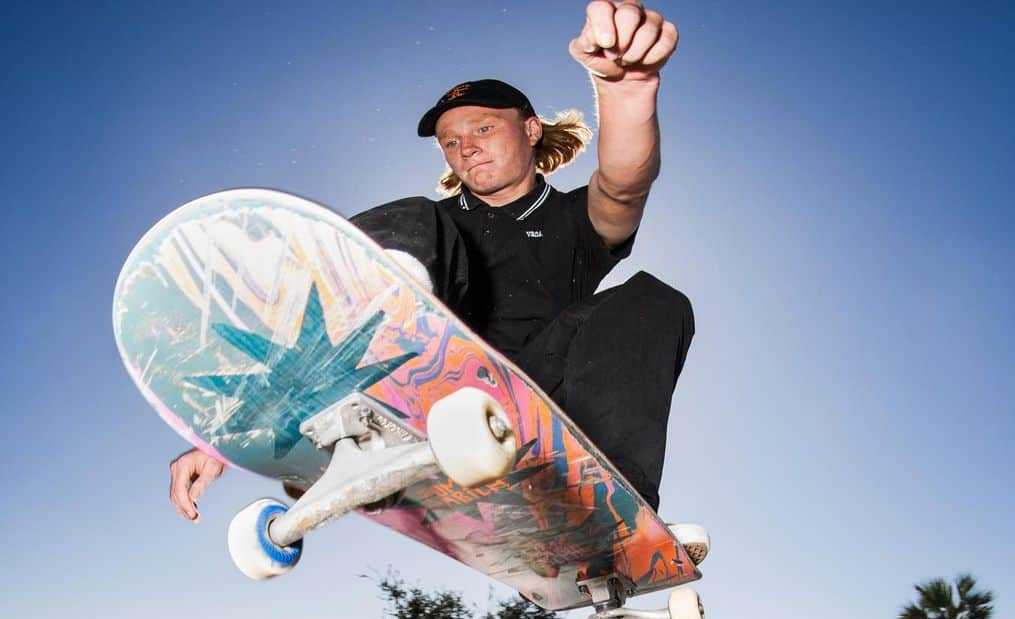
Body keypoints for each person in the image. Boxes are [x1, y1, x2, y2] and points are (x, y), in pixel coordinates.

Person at [165, 2, 708, 568]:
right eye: (450, 141)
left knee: (655, 302)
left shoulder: (575, 221)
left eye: (482, 128)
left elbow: (622, 186)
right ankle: (339, 412)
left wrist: (627, 92)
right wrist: (224, 437)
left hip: (540, 411)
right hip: (426, 395)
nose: (465, 146)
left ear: (530, 129)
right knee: (413, 223)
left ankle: (612, 515)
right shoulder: (436, 225)